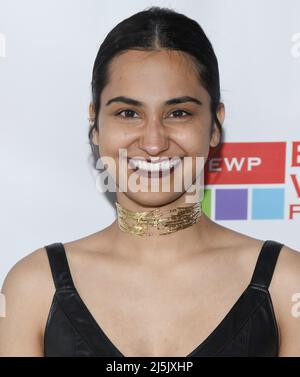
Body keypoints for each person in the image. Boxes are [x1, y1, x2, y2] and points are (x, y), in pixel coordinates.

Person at [0, 6, 299, 357]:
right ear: (95, 124)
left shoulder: (285, 285)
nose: (154, 142)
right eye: (128, 113)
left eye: (178, 113)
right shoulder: (34, 288)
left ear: (215, 124)